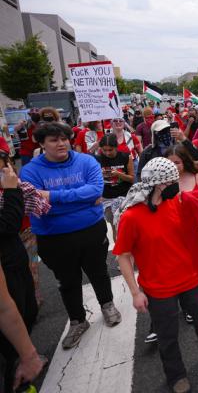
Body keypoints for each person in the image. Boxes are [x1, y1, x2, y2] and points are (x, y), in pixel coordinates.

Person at [114, 158, 198, 393]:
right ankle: (176, 375)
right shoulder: (131, 217)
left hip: (190, 278)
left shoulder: (175, 202)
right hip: (159, 288)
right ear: (159, 185)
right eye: (172, 181)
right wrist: (135, 293)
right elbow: (123, 257)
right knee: (167, 335)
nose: (177, 185)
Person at [19, 122, 121, 350]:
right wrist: (80, 201)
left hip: (91, 230)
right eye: (54, 140)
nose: (61, 143)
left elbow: (96, 191)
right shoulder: (30, 171)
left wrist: (51, 197)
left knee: (99, 272)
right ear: (42, 144)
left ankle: (107, 305)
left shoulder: (86, 161)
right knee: (67, 281)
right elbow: (37, 206)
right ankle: (78, 320)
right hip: (53, 237)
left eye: (64, 138)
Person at [0, 162, 45, 392]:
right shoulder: (10, 187)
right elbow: (8, 224)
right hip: (7, 266)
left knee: (28, 309)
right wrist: (10, 190)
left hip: (15, 259)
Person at [97, 134, 134, 240]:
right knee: (114, 226)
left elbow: (131, 178)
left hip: (123, 195)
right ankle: (119, 252)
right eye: (104, 150)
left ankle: (128, 251)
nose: (107, 153)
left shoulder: (125, 156)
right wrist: (100, 175)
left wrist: (119, 174)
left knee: (123, 225)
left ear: (116, 147)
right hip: (106, 197)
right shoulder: (98, 159)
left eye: (110, 150)